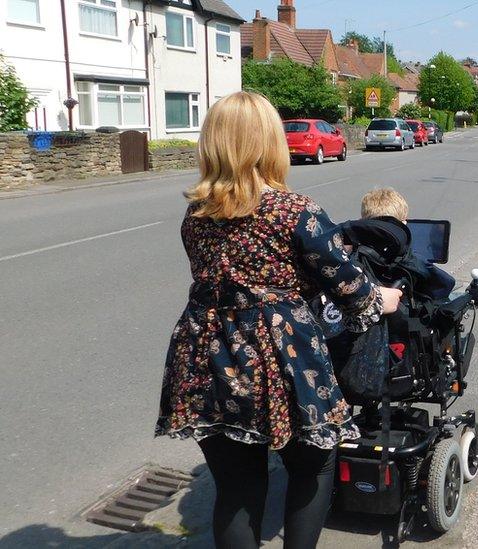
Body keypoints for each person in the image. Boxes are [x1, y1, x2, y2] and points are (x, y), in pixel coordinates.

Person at [154, 91, 401, 549]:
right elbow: (349, 285)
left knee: (238, 487)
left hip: (204, 353)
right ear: (270, 143)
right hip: (279, 354)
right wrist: (382, 299)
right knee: (314, 464)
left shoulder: (197, 214)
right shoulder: (293, 212)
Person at [357, 188, 455, 300]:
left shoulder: (350, 254)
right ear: (404, 224)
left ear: (362, 221)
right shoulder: (411, 261)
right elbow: (445, 285)